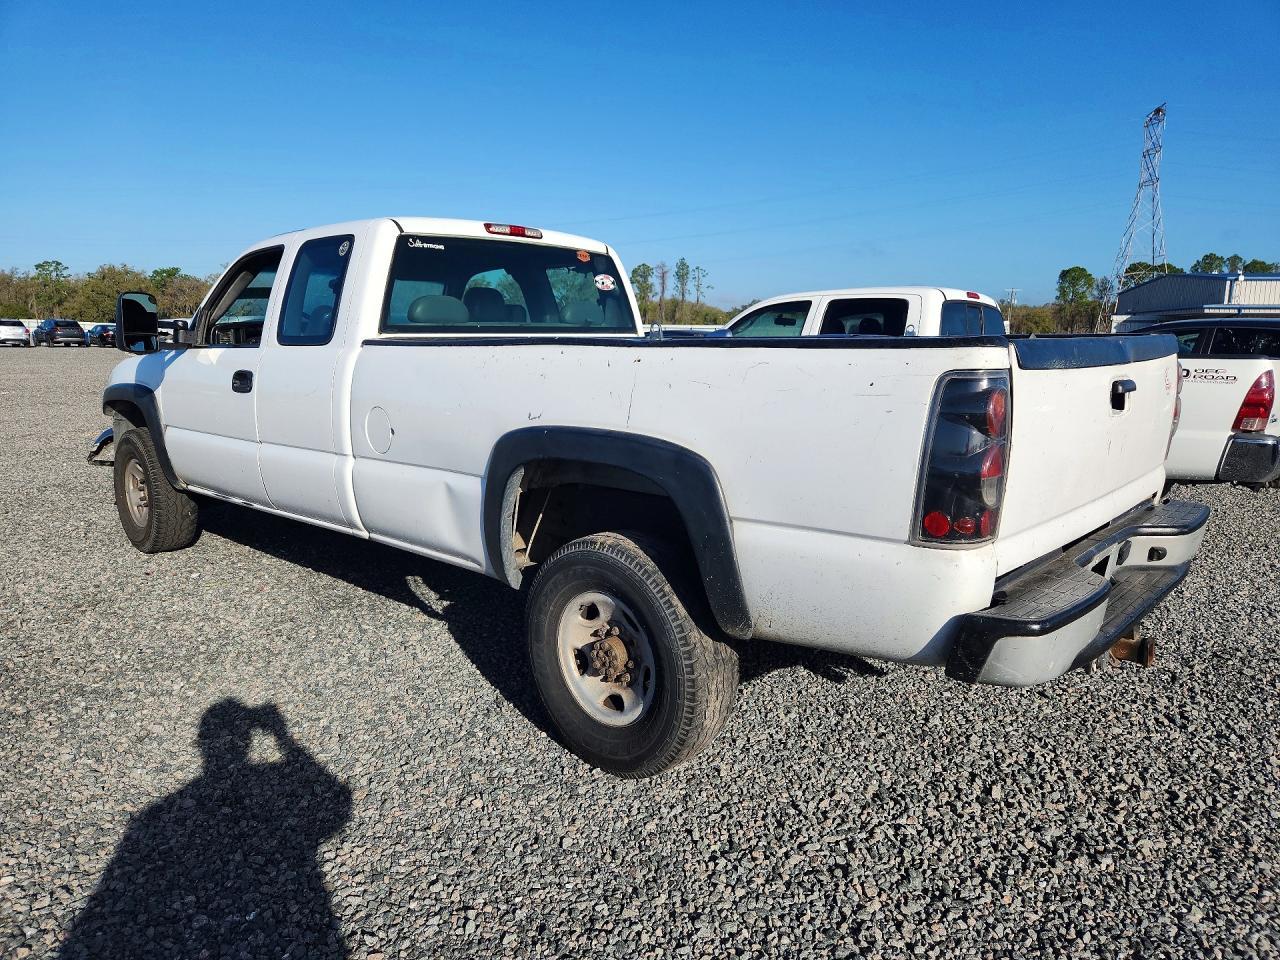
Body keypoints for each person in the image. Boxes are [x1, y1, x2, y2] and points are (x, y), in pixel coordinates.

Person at [57, 699, 352, 959]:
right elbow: (336, 808)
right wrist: (284, 739)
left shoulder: (156, 815)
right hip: (302, 902)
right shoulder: (159, 813)